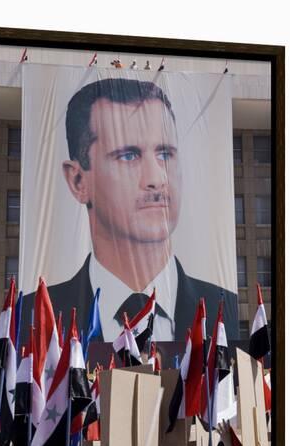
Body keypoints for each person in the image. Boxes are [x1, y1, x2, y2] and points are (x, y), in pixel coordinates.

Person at [22, 78, 238, 343]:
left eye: (165, 154)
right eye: (128, 155)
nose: (157, 178)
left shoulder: (225, 308)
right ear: (78, 180)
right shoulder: (31, 318)